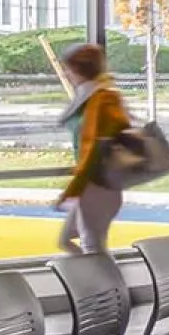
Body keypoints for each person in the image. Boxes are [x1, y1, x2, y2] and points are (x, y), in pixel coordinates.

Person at [56, 42, 130, 255]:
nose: (66, 74)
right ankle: (96, 284)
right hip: (94, 183)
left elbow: (93, 148)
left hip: (97, 183)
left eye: (68, 69)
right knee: (67, 241)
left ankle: (111, 287)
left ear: (77, 69)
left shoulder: (102, 99)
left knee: (92, 247)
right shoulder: (90, 96)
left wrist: (74, 188)